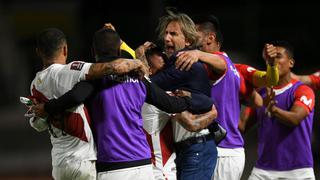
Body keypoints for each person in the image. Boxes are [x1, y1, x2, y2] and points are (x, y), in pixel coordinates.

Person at [32, 28, 215, 180]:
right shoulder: (139, 78)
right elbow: (171, 104)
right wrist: (194, 99)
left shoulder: (94, 81)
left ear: (93, 52)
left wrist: (47, 108)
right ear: (119, 52)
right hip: (144, 166)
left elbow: (75, 96)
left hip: (112, 167)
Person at [27, 28, 148, 180]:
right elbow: (112, 67)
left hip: (59, 164)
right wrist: (137, 61)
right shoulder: (70, 70)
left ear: (38, 51)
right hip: (82, 160)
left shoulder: (35, 86)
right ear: (65, 49)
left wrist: (48, 110)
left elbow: (38, 125)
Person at [175, 14, 277, 180]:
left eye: (196, 34)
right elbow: (257, 101)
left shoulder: (235, 68)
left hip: (224, 149)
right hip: (221, 148)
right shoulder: (208, 67)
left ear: (210, 38)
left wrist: (271, 66)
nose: (191, 38)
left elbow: (270, 79)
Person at [149, 9, 227, 180]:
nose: (166, 38)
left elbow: (148, 85)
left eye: (173, 34)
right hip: (189, 148)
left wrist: (137, 59)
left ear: (188, 41)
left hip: (196, 148)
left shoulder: (183, 62)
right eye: (166, 33)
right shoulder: (176, 62)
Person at [248, 40, 315, 180]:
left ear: (291, 63)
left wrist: (273, 110)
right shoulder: (261, 93)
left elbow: (295, 119)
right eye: (270, 58)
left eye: (278, 56)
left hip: (298, 172)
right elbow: (241, 125)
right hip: (263, 171)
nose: (273, 60)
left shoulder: (303, 90)